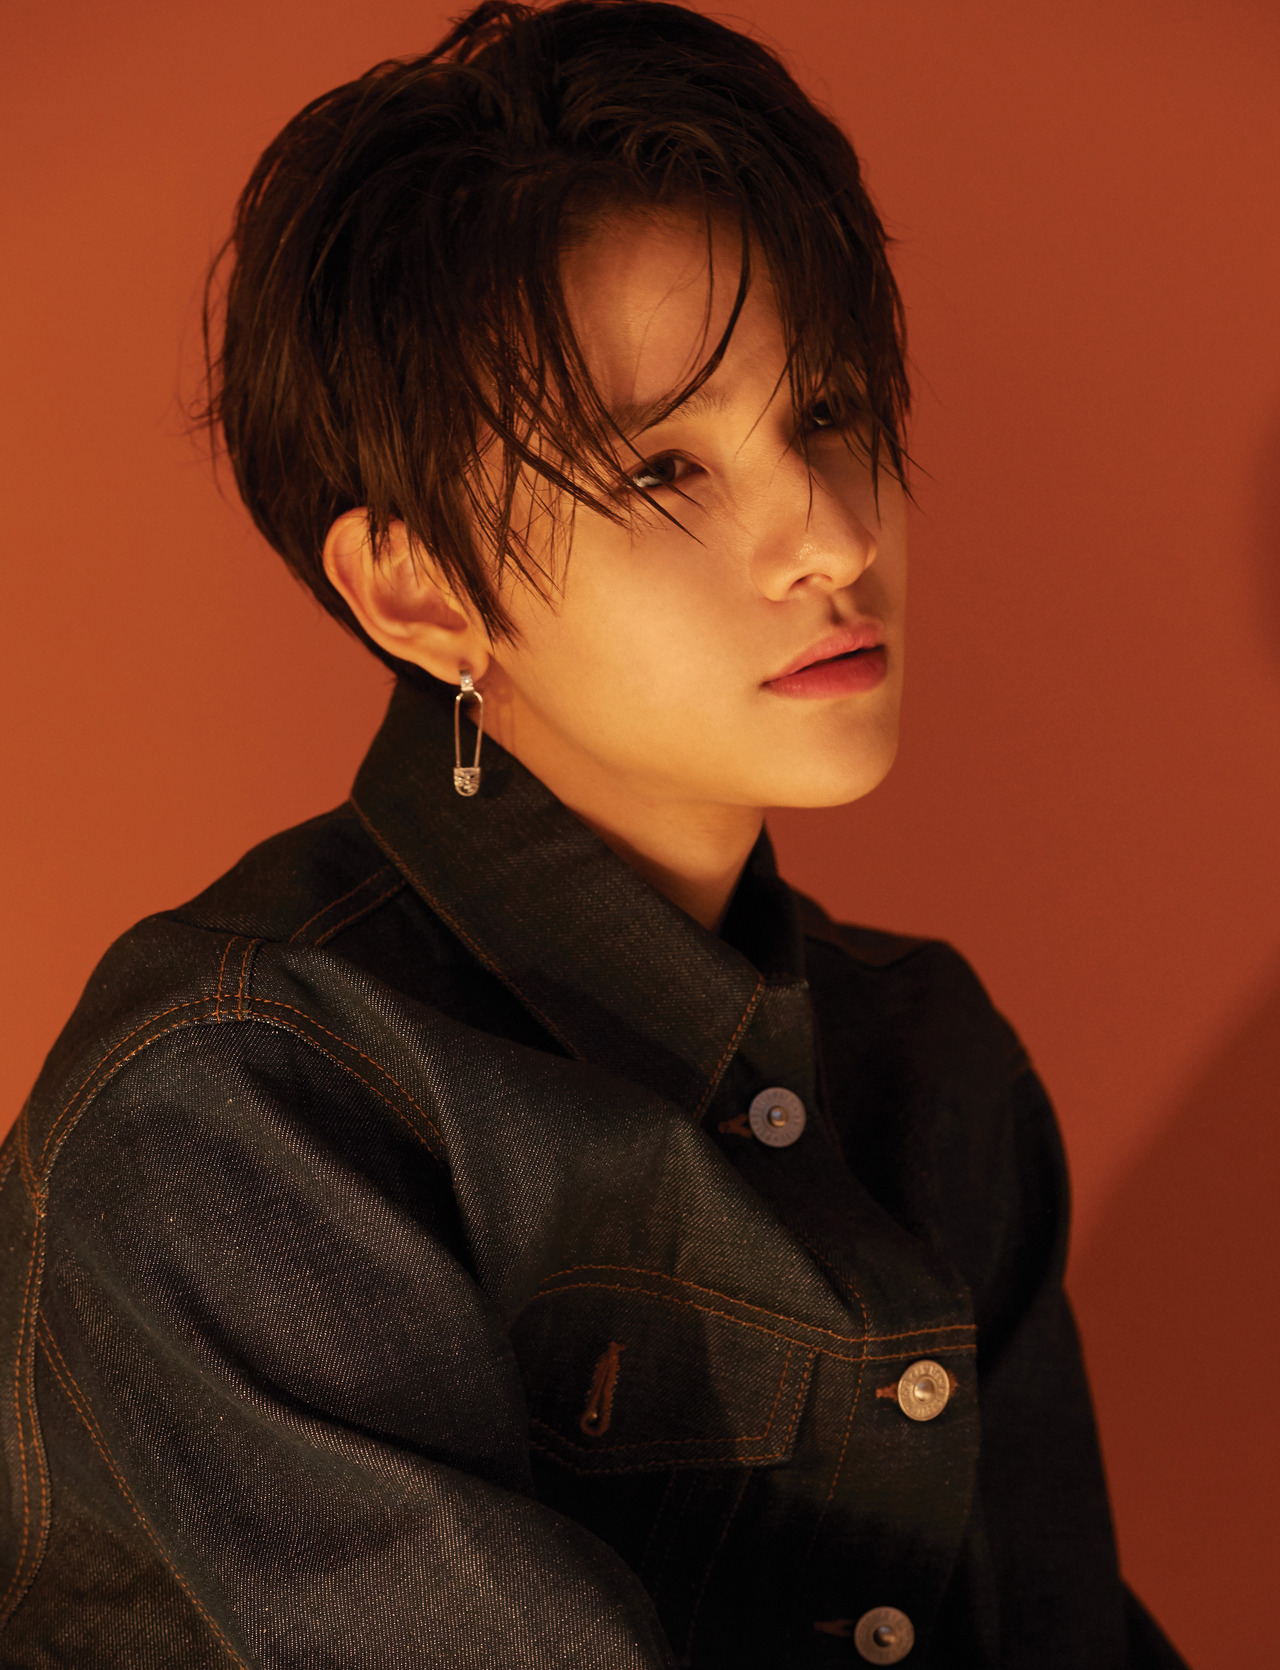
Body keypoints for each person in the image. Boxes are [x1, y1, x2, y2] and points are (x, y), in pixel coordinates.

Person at [0, 3, 1189, 1665]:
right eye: (663, 472)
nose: (833, 535)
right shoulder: (239, 1101)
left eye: (831, 410)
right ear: (419, 589)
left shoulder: (932, 1069)